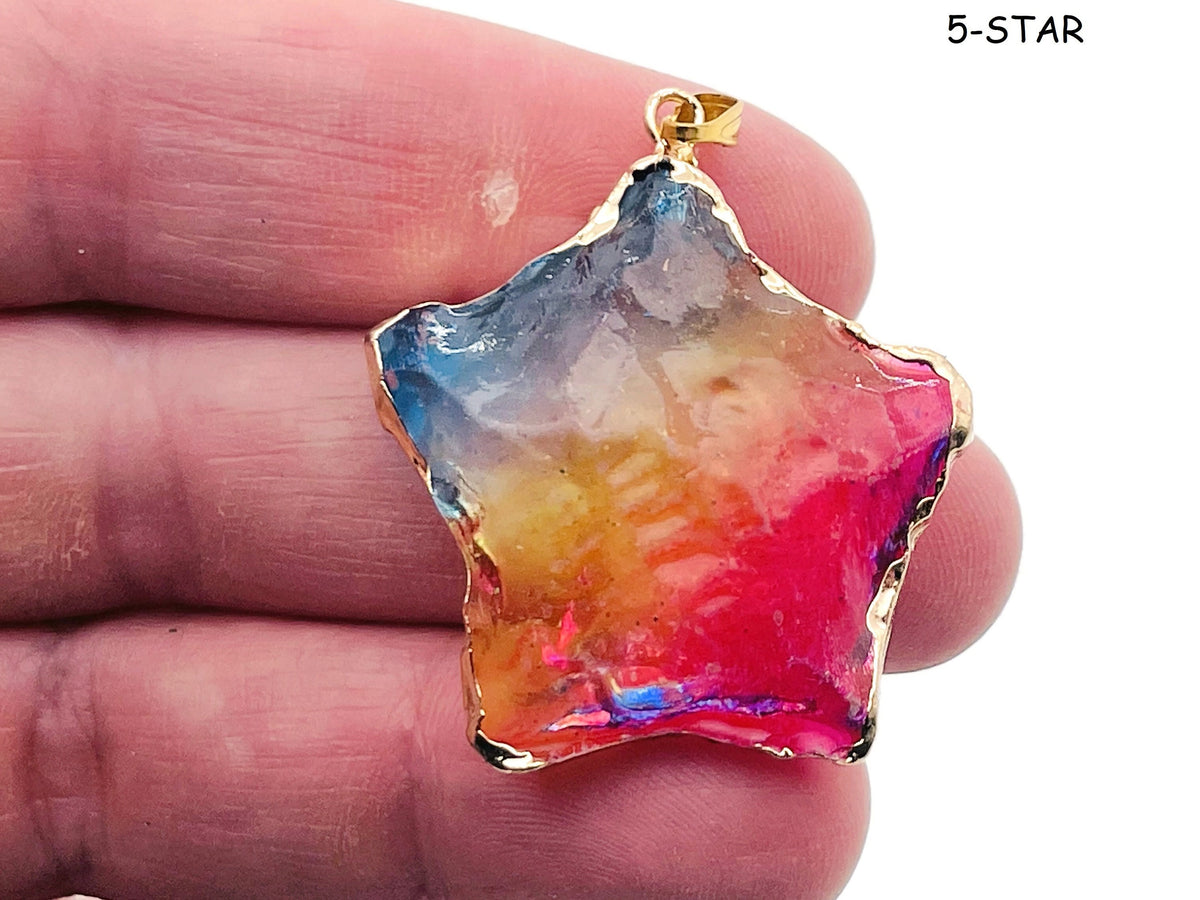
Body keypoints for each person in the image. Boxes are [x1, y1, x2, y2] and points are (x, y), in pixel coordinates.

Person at [0, 0, 1021, 896]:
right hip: (581, 669)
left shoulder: (865, 413)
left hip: (719, 675)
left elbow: (901, 413)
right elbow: (439, 374)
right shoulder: (474, 379)